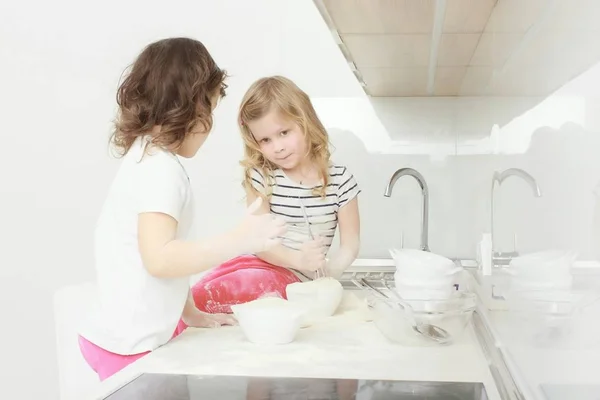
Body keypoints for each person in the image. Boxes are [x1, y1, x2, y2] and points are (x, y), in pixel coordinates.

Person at [77, 38, 286, 381]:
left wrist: (187, 312)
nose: (210, 127)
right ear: (191, 108)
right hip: (130, 348)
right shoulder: (161, 170)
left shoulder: (146, 155)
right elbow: (160, 259)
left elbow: (158, 257)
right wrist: (241, 238)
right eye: (211, 111)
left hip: (121, 337)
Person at [192, 76, 361, 314]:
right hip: (261, 266)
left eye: (284, 132)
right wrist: (298, 260)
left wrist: (328, 276)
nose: (277, 147)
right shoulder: (262, 177)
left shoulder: (341, 181)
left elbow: (351, 244)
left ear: (305, 122)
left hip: (299, 284)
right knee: (198, 294)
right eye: (265, 140)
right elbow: (260, 243)